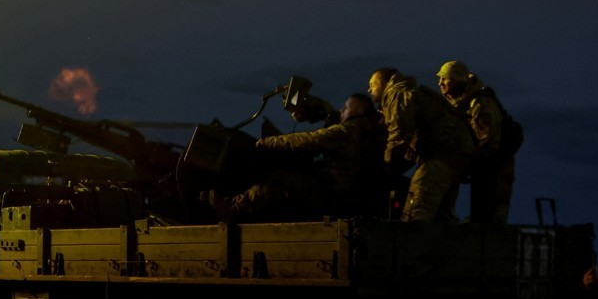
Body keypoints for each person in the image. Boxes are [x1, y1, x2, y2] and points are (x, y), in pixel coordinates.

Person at [206, 93, 386, 222]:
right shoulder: (370, 132)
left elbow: (309, 139)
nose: (342, 110)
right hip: (348, 190)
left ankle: (232, 209)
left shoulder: (347, 131)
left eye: (346, 107)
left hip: (332, 189)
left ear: (359, 110)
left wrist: (268, 142)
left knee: (276, 180)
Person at [368, 67, 476, 222]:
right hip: (457, 153)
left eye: (372, 84)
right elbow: (413, 140)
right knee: (442, 215)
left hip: (440, 154)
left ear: (385, 82)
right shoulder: (414, 94)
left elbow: (399, 133)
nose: (369, 89)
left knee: (417, 210)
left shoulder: (396, 93)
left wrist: (387, 165)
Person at [436, 60, 519, 224]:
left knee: (491, 215)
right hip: (485, 164)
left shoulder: (480, 103)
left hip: (495, 166)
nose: (440, 83)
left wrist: (470, 163)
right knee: (482, 212)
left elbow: (489, 141)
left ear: (458, 80)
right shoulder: (461, 103)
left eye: (445, 78)